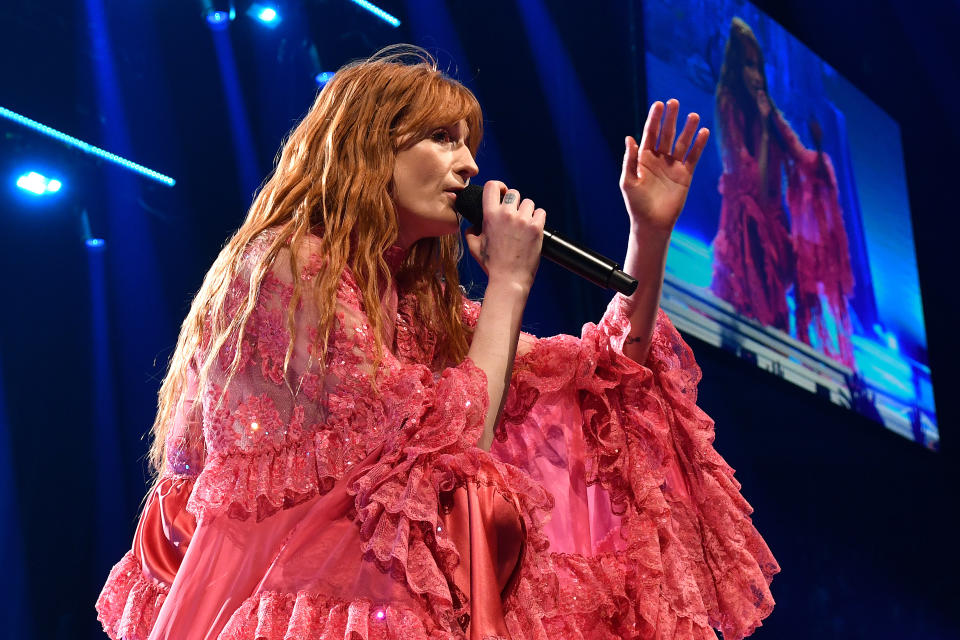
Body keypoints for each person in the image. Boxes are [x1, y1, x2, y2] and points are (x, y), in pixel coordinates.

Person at [96, 47, 778, 640]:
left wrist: (648, 236)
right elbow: (450, 444)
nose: (469, 164)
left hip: (375, 601)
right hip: (298, 603)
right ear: (368, 145)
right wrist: (510, 281)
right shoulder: (287, 263)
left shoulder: (418, 304)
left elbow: (602, 378)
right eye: (442, 138)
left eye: (469, 142)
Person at [710, 18, 855, 368]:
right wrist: (761, 131)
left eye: (757, 65)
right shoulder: (729, 104)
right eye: (747, 65)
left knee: (776, 328)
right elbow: (750, 182)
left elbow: (799, 155)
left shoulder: (768, 109)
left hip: (773, 231)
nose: (755, 74)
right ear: (735, 66)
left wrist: (819, 156)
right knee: (744, 321)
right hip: (746, 228)